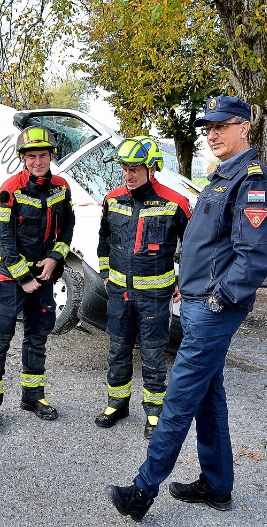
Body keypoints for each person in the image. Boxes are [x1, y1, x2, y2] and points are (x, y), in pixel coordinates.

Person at [106, 95, 267, 520]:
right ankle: (217, 486)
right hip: (200, 300)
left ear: (245, 127)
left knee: (179, 399)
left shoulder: (251, 180)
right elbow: (210, 245)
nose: (213, 134)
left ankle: (142, 491)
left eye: (222, 126)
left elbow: (253, 256)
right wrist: (190, 281)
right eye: (208, 128)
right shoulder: (223, 176)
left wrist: (219, 297)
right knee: (207, 398)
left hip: (214, 310)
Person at [0, 126, 75, 430]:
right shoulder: (9, 190)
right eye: (32, 156)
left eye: (43, 155)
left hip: (44, 276)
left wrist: (55, 258)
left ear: (50, 156)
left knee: (37, 339)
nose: (38, 161)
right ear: (23, 158)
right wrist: (24, 277)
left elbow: (68, 229)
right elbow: (1, 238)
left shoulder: (62, 188)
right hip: (11, 279)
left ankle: (32, 397)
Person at [95, 136, 191, 440]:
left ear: (152, 168)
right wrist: (106, 273)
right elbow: (103, 241)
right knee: (118, 350)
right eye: (125, 167)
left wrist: (184, 281)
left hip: (154, 296)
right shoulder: (112, 199)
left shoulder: (176, 202)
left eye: (135, 167)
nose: (128, 174)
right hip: (119, 294)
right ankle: (117, 405)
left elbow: (193, 248)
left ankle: (153, 412)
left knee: (152, 354)